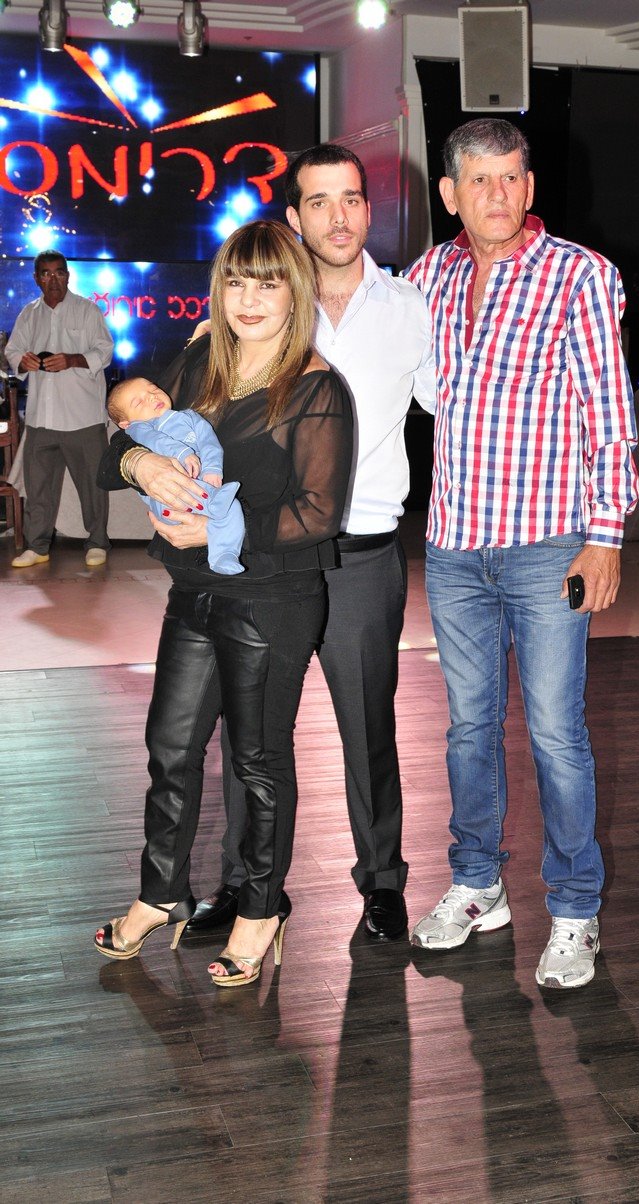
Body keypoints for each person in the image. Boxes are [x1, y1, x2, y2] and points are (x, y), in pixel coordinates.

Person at [405, 119, 638, 988]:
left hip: (549, 544)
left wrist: (605, 536)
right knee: (468, 730)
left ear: (530, 188)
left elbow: (610, 414)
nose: (498, 194)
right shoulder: (427, 277)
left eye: (512, 178)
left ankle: (575, 909)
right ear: (450, 194)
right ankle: (478, 885)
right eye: (480, 180)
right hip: (455, 546)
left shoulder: (580, 275)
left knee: (555, 734)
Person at [185, 145, 436, 942]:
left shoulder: (411, 307)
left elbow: (458, 404)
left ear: (368, 208)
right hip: (270, 556)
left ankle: (383, 883)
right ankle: (245, 884)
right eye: (319, 201)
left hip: (361, 555)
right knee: (251, 731)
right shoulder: (259, 308)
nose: (338, 216)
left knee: (368, 728)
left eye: (351, 198)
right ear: (294, 217)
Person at [93, 220, 353, 987]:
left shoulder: (316, 388)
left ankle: (262, 909)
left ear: (294, 292)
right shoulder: (200, 362)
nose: (250, 298)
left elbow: (318, 513)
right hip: (196, 590)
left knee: (258, 762)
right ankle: (160, 894)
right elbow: (119, 442)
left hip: (272, 599)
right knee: (170, 748)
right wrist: (141, 464)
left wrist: (217, 526)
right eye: (236, 281)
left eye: (268, 282)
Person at [6, 251, 114, 567]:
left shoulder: (88, 310)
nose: (53, 279)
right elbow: (13, 351)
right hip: (41, 417)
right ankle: (37, 546)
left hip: (83, 416)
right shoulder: (29, 314)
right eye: (46, 273)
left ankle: (97, 543)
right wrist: (22, 361)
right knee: (38, 487)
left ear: (68, 275)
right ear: (36, 278)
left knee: (93, 485)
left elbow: (104, 351)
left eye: (59, 272)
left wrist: (72, 359)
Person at [107, 376, 245, 575]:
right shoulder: (138, 428)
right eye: (138, 402)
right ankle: (214, 504)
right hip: (169, 499)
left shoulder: (191, 417)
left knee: (233, 507)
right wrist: (182, 453)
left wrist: (212, 469)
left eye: (153, 388)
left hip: (204, 490)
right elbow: (155, 440)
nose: (152, 397)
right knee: (221, 504)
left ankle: (224, 555)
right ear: (125, 423)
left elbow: (209, 443)